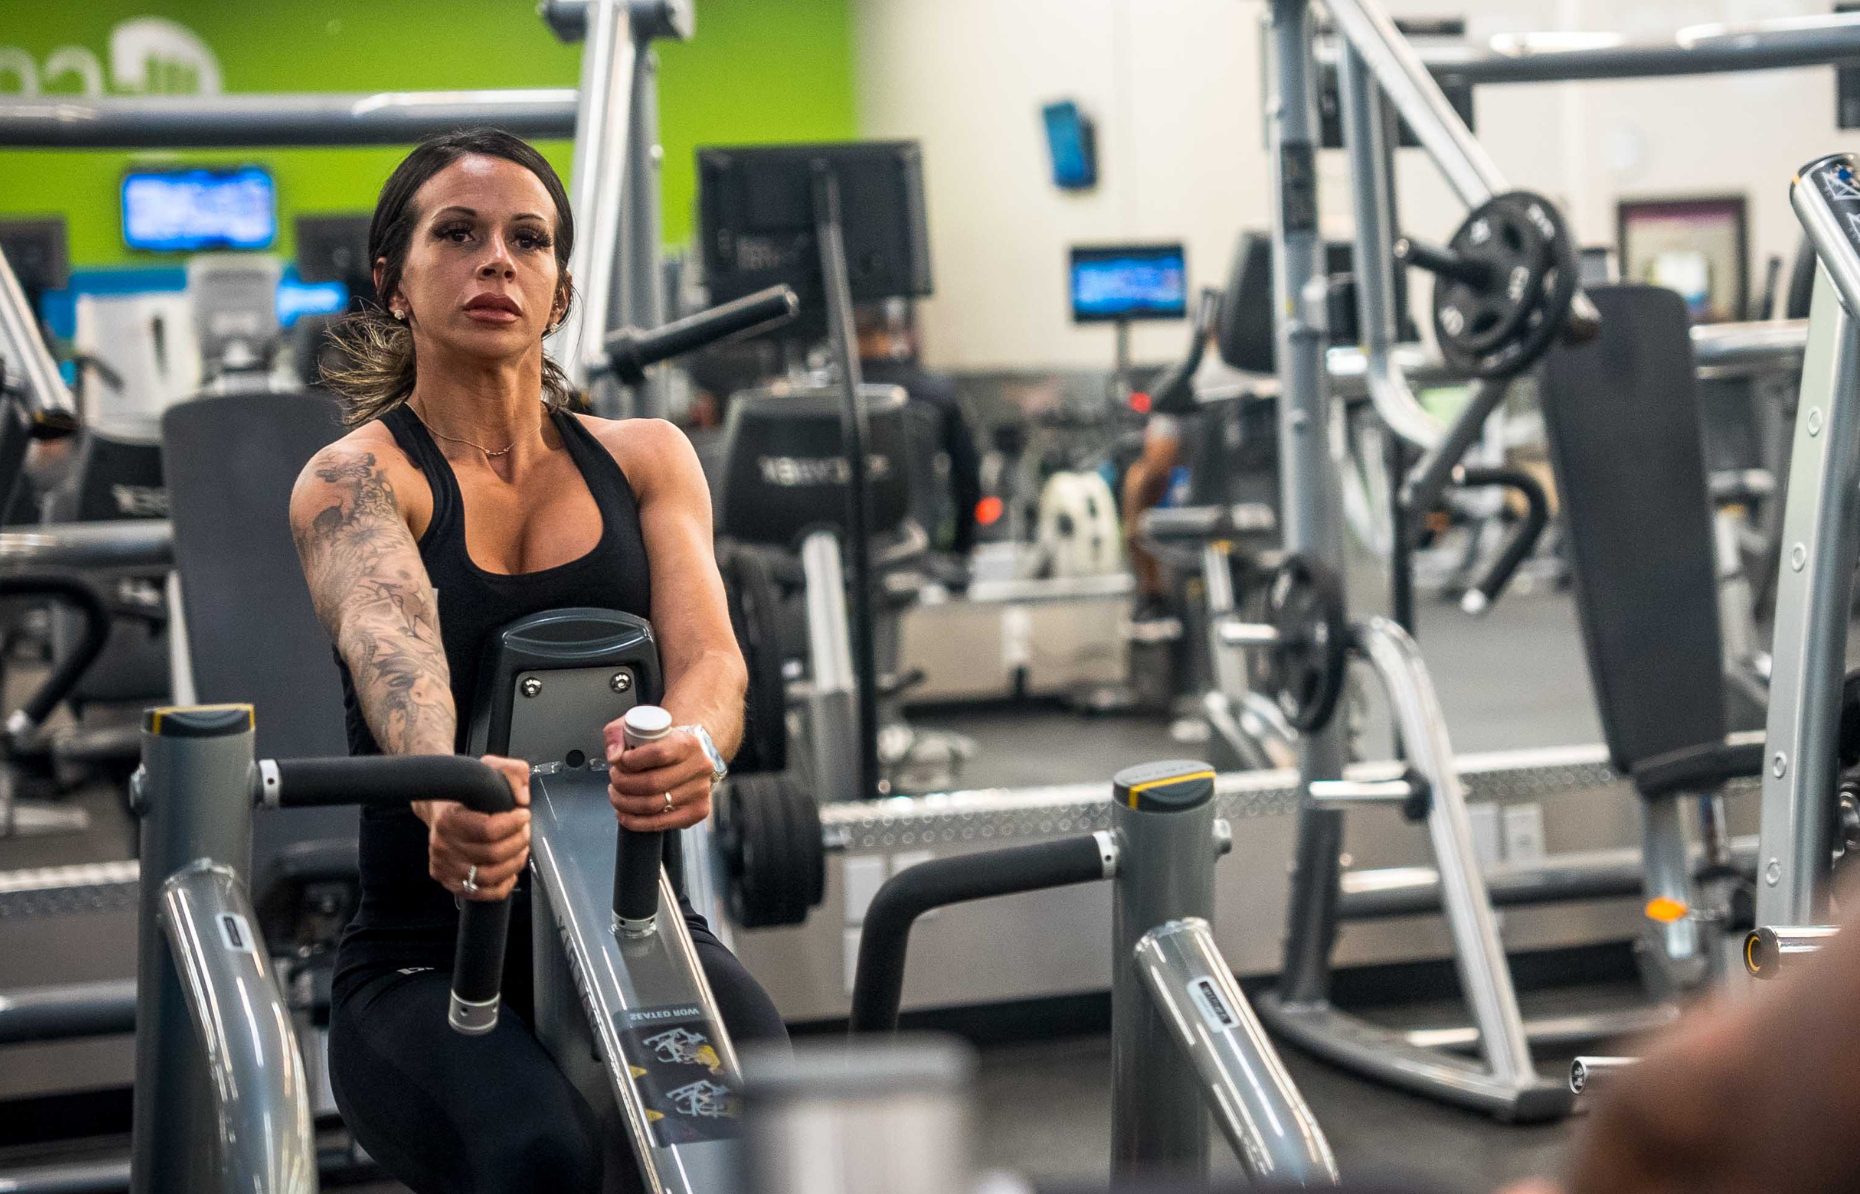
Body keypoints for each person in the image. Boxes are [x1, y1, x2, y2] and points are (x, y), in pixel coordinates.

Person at [289, 127, 786, 1194]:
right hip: (426, 963)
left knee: (754, 1125)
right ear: (394, 280)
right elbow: (394, 654)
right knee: (540, 1154)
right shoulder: (357, 479)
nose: (496, 260)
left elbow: (713, 665)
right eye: (457, 234)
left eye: (528, 240)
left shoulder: (649, 458)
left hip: (640, 930)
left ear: (559, 291)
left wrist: (694, 741)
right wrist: (445, 796)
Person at [856, 298, 982, 560]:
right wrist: (961, 549)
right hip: (920, 551)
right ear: (897, 332)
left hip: (846, 561)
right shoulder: (938, 394)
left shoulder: (824, 400)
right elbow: (969, 480)